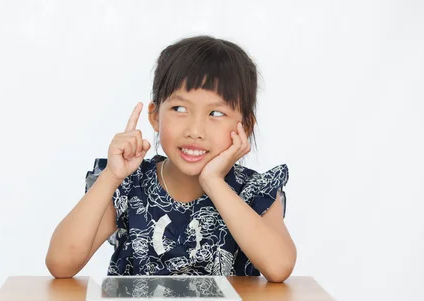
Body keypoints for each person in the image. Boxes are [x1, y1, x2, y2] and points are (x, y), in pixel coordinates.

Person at [45, 35, 296, 282]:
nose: (195, 131)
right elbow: (61, 263)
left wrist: (213, 181)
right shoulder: (130, 185)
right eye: (179, 109)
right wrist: (111, 176)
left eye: (216, 113)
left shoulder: (254, 190)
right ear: (155, 116)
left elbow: (279, 266)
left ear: (246, 126)